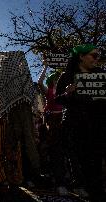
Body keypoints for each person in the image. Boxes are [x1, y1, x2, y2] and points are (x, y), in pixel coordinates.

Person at [56, 44, 106, 199]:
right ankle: (82, 186)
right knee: (81, 159)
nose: (96, 59)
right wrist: (67, 93)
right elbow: (58, 99)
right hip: (76, 124)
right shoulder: (67, 76)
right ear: (81, 57)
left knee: (97, 160)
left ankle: (97, 190)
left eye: (98, 56)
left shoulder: (101, 74)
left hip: (98, 124)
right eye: (93, 55)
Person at [37, 65, 67, 195]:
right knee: (53, 147)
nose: (57, 80)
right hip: (51, 120)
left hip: (63, 119)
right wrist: (45, 66)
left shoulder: (63, 90)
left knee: (64, 147)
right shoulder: (48, 90)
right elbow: (39, 82)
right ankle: (52, 175)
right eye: (55, 79)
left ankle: (65, 177)